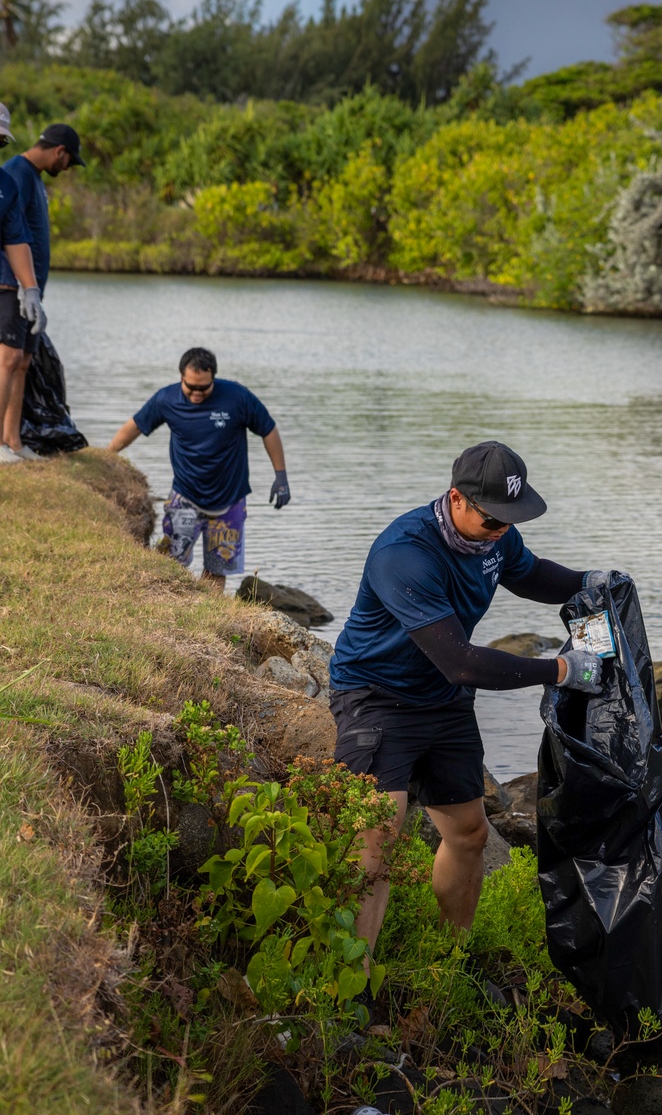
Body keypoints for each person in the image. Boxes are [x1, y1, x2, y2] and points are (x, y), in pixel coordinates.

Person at [329, 439, 606, 964]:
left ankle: (448, 960)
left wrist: (588, 582)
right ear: (456, 499)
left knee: (470, 833)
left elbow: (529, 573)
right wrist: (560, 669)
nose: (501, 529)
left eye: (510, 519)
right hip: (375, 697)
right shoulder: (404, 554)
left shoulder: (495, 537)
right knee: (374, 846)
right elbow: (461, 661)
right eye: (492, 520)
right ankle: (350, 991)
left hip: (444, 701)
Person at [107, 348, 291, 590]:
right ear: (181, 377)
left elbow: (268, 429)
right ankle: (169, 611)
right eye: (190, 387)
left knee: (216, 570)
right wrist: (106, 455)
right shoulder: (167, 399)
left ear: (213, 377)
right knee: (169, 563)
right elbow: (135, 426)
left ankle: (208, 618)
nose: (196, 393)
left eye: (203, 388)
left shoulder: (237, 397)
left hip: (229, 502)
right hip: (185, 498)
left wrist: (281, 476)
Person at [0, 123, 84, 460]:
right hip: (10, 284)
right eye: (68, 161)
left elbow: (17, 234)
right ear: (59, 151)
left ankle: (12, 441)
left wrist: (32, 289)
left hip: (27, 287)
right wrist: (21, 285)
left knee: (21, 360)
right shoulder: (17, 171)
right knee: (9, 358)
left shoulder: (15, 180)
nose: (66, 168)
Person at [0, 104, 49, 464]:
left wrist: (30, 289)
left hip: (2, 283)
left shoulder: (5, 184)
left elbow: (16, 237)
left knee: (12, 356)